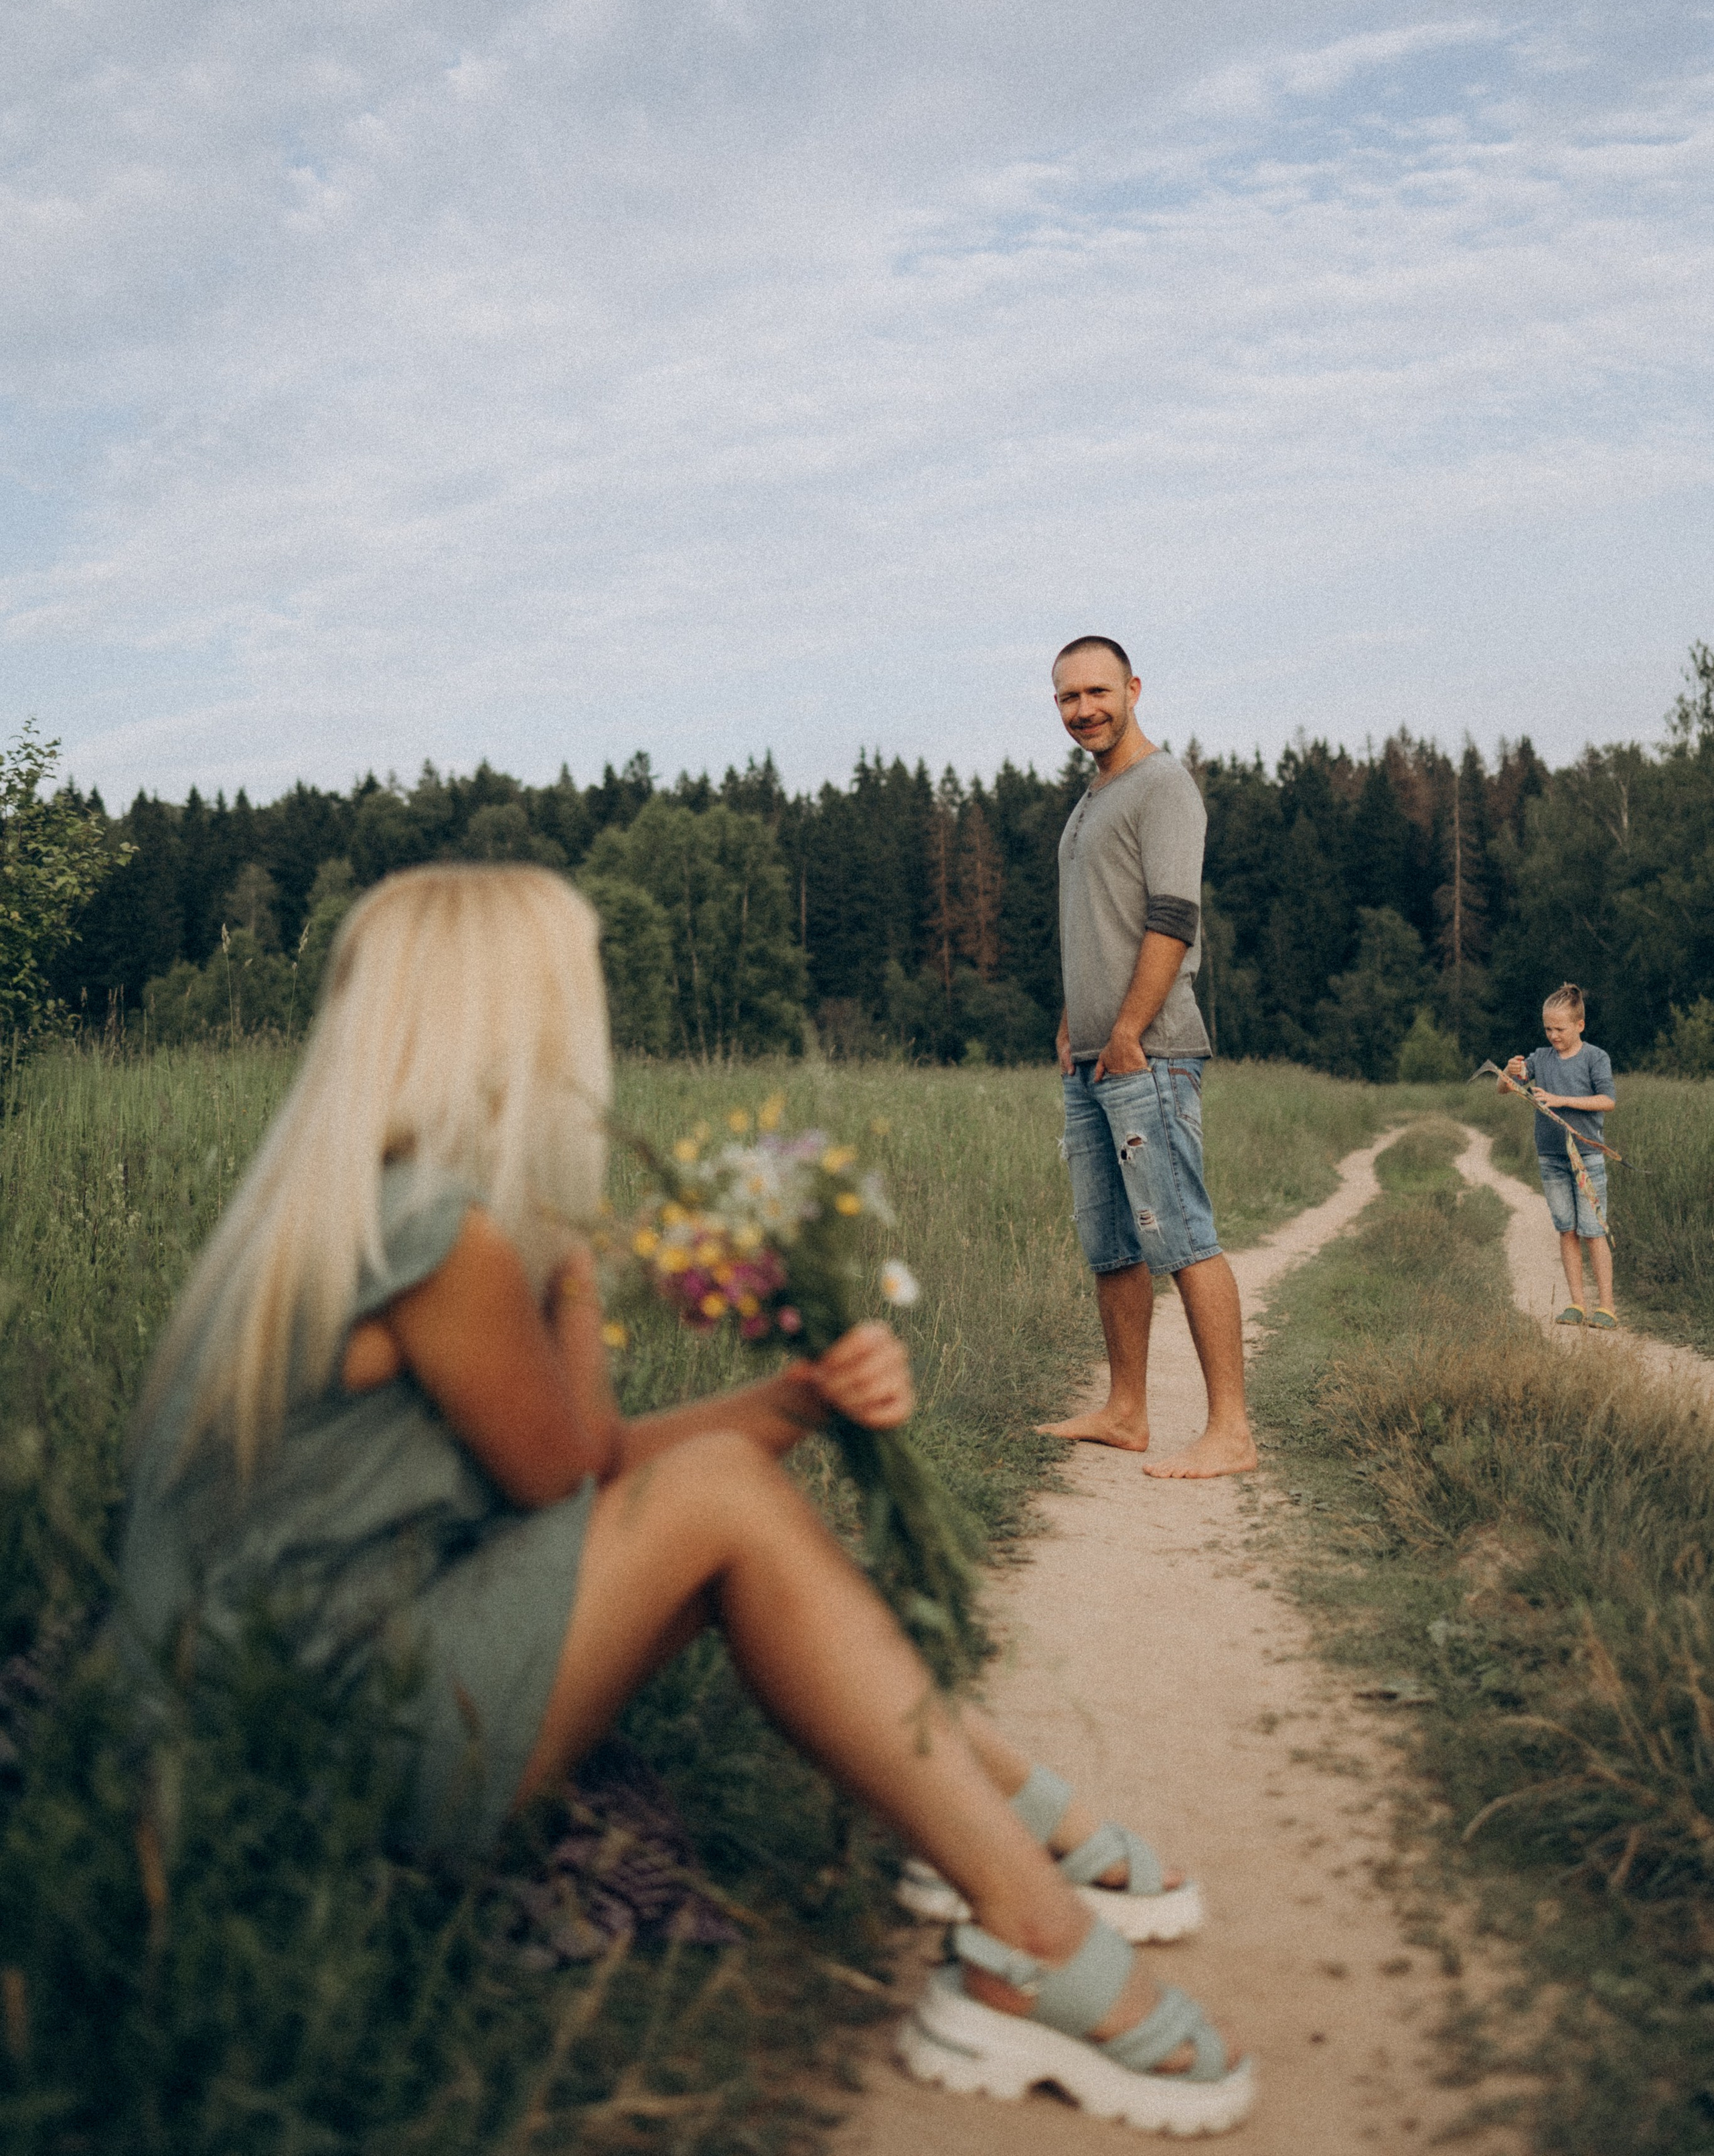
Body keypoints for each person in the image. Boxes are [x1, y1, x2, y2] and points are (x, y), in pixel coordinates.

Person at [120, 863, 1253, 2133]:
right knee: (718, 1495)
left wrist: (799, 1397)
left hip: (269, 1716)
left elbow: (581, 1468)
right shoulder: (445, 1236)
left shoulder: (361, 1205)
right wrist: (578, 1252)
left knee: (720, 1492)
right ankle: (1028, 1930)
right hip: (308, 1751)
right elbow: (579, 1480)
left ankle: (1017, 1829)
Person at [1042, 639, 1257, 1479]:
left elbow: (1172, 918)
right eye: (1067, 698)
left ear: (1132, 689)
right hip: (1092, 1058)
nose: (1083, 709)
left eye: (1096, 691)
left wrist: (1129, 1029)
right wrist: (1074, 1024)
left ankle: (1230, 1431)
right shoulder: (1092, 796)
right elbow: (1097, 925)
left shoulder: (1162, 786)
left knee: (1183, 1235)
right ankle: (1126, 1412)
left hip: (1149, 1053)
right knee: (1111, 1244)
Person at [1502, 983, 1618, 1329]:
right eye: (1548, 1028)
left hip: (1587, 1158)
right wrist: (1508, 1075)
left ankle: (1607, 1307)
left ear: (1580, 1025)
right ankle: (1577, 1304)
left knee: (1593, 1231)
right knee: (1567, 1230)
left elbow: (1607, 1101)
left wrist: (1561, 1100)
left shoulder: (1596, 1058)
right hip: (1551, 1158)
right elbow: (1507, 1088)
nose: (1553, 1035)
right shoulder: (1540, 1058)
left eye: (1560, 1029)